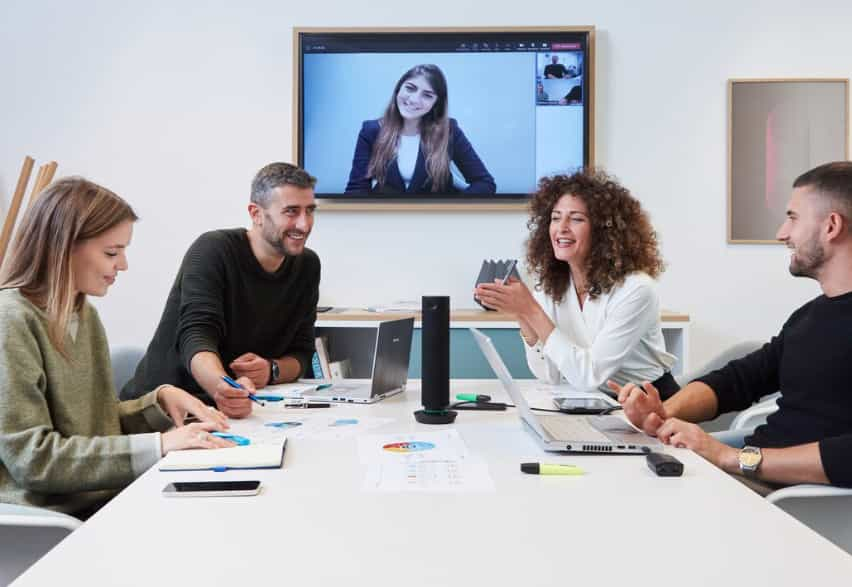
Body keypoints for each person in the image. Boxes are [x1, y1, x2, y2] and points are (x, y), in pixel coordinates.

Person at [610, 161, 852, 492]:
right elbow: (739, 380)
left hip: (792, 498)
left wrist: (728, 456)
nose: (782, 233)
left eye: (793, 218)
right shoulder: (811, 315)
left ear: (831, 226)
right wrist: (662, 414)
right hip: (754, 474)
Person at [0, 177, 231, 518]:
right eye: (112, 252)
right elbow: (34, 460)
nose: (122, 265)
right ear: (63, 247)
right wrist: (160, 444)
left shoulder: (83, 314)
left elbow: (92, 427)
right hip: (55, 518)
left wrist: (159, 402)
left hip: (105, 499)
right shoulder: (12, 321)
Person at [120, 163, 320, 420]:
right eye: (291, 212)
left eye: (310, 211)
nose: (304, 225)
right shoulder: (213, 250)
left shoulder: (307, 265)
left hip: (240, 410)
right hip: (167, 411)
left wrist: (272, 370)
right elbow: (196, 336)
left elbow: (302, 352)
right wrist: (222, 388)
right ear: (256, 213)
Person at [474, 170, 678, 397]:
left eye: (576, 218)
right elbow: (549, 375)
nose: (561, 228)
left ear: (604, 229)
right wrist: (522, 316)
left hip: (649, 404)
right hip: (593, 402)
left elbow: (588, 375)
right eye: (555, 217)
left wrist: (530, 310)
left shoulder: (636, 290)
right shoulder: (552, 285)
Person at [344, 64, 496, 195]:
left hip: (435, 219)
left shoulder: (449, 130)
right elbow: (356, 189)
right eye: (410, 88)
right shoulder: (371, 130)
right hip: (389, 218)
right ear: (398, 89)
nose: (415, 99)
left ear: (436, 103)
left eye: (427, 95)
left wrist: (451, 209)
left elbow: (485, 183)